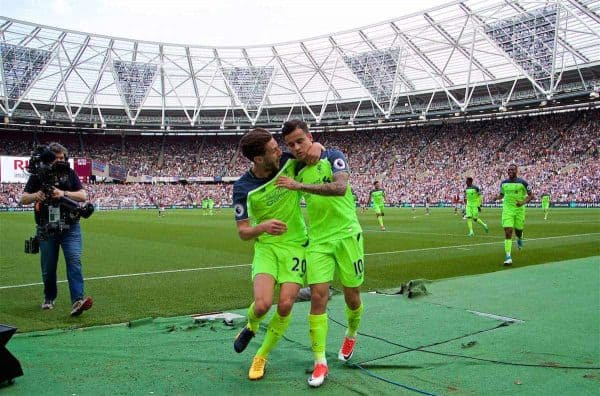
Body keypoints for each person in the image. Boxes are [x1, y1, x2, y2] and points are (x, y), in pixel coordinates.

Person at [276, 119, 364, 388]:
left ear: (310, 136)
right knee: (317, 296)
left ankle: (350, 333)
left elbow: (340, 188)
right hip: (318, 241)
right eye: (290, 145)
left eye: (300, 141)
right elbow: (266, 161)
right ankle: (319, 362)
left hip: (348, 234)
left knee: (352, 295)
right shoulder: (292, 166)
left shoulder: (333, 156)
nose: (296, 148)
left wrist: (300, 186)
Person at [231, 128, 321, 381]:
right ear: (258, 159)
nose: (279, 150)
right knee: (261, 305)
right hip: (267, 247)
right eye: (273, 149)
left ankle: (261, 355)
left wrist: (319, 146)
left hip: (295, 244)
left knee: (285, 304)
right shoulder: (243, 188)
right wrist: (263, 227)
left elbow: (310, 150)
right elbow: (243, 232)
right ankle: (251, 325)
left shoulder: (287, 162)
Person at [20, 142, 93, 316]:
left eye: (62, 157)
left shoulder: (69, 173)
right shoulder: (38, 175)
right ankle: (49, 297)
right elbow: (24, 198)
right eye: (56, 157)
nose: (59, 160)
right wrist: (36, 196)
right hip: (47, 226)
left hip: (71, 226)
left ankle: (77, 300)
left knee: (74, 260)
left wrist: (63, 194)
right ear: (48, 158)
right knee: (48, 266)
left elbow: (83, 195)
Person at [493, 164, 533, 266]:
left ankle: (519, 238)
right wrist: (497, 197)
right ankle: (508, 257)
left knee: (518, 231)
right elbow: (502, 195)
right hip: (507, 210)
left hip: (519, 210)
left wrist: (522, 202)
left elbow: (531, 195)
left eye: (512, 170)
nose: (510, 171)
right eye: (509, 170)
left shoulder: (523, 183)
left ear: (516, 171)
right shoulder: (503, 183)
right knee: (508, 231)